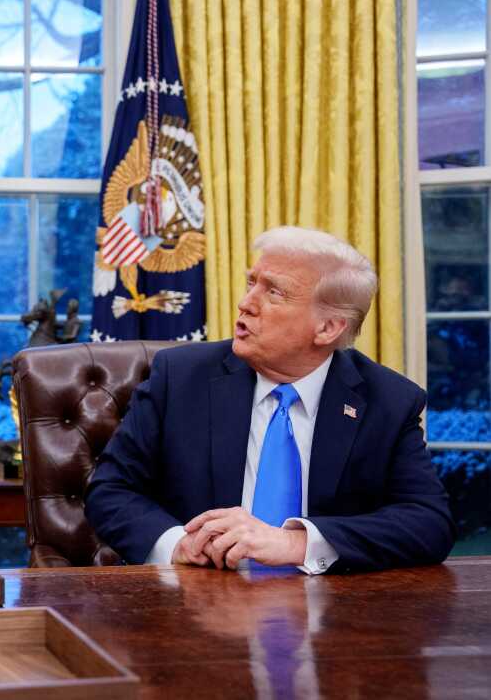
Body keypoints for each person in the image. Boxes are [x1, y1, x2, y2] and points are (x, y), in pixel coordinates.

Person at [85, 226, 456, 573]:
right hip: (198, 603)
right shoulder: (181, 378)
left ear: (327, 328)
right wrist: (178, 545)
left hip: (331, 619)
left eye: (274, 292)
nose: (246, 303)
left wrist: (295, 542)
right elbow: (110, 490)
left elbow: (429, 523)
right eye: (251, 283)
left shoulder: (387, 401)